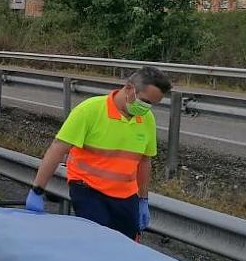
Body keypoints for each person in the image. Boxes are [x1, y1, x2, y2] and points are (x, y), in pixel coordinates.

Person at [25, 67, 172, 239]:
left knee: (125, 247)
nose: (146, 108)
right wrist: (37, 190)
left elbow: (144, 161)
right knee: (96, 242)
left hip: (126, 194)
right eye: (145, 101)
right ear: (129, 88)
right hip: (89, 189)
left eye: (152, 105)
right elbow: (57, 149)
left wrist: (143, 199)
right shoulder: (90, 110)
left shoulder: (146, 119)